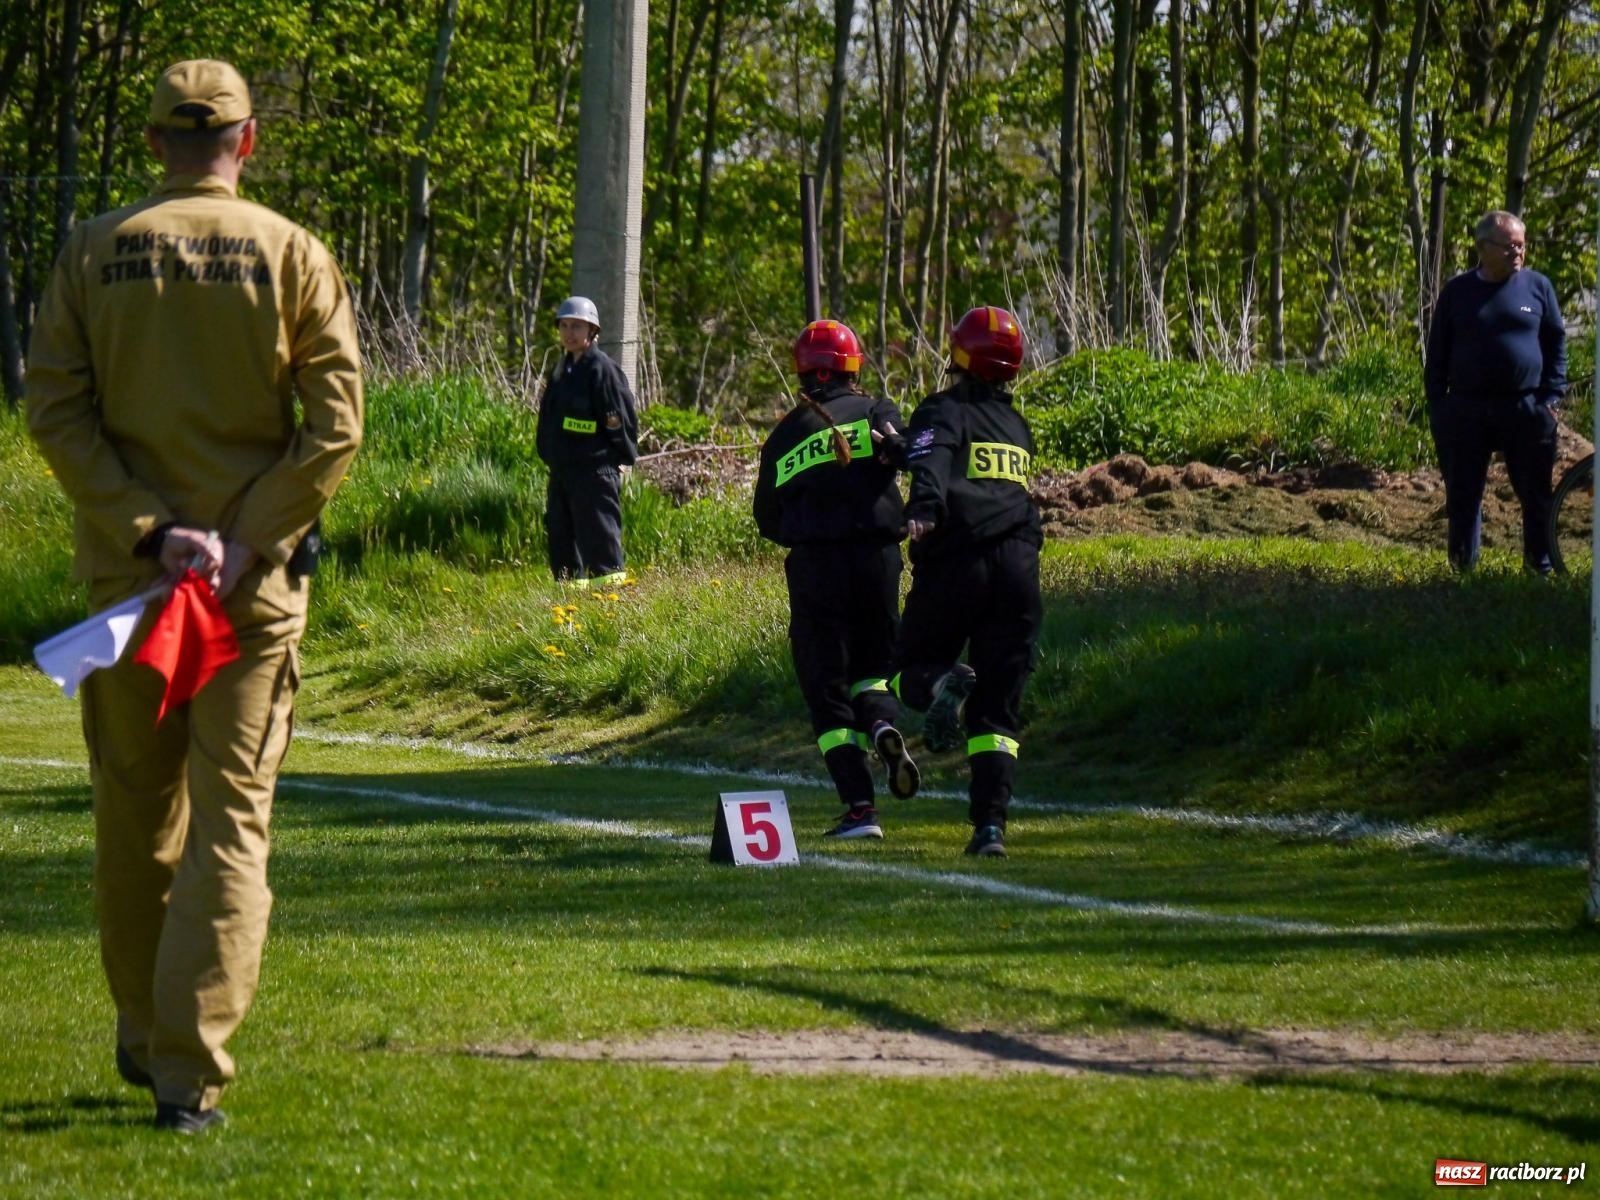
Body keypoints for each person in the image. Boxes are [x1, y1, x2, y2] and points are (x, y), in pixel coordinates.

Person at [24, 59, 363, 1132]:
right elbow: (336, 425)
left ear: (155, 140)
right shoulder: (294, 253)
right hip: (249, 596)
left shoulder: (91, 251)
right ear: (247, 141)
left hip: (130, 591)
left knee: (134, 819)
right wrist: (244, 539)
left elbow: (55, 413)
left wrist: (149, 531)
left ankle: (143, 1033)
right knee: (231, 829)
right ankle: (188, 1071)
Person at [753, 319, 919, 839]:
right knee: (872, 671)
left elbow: (767, 519)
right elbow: (908, 448)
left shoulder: (783, 436)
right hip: (878, 560)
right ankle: (881, 724)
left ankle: (860, 810)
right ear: (854, 368)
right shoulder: (875, 410)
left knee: (827, 691)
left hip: (817, 568)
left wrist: (810, 531)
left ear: (803, 373)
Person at [891, 306, 1042, 859]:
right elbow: (947, 451)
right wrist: (903, 444)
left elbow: (935, 456)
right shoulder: (1017, 426)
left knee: (905, 670)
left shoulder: (943, 407)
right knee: (997, 714)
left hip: (960, 564)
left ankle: (942, 683)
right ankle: (991, 828)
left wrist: (924, 509)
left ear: (958, 355)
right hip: (1020, 569)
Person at [1425, 210, 1568, 573]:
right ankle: (1463, 571)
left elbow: (1555, 342)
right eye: (1509, 246)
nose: (1517, 253)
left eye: (1521, 245)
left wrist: (1551, 398)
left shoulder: (1538, 287)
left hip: (1527, 407)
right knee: (1463, 495)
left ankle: (1539, 569)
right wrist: (1440, 408)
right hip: (1467, 409)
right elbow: (1437, 353)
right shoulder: (1458, 293)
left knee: (1536, 495)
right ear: (1483, 247)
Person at [536, 296, 640, 586]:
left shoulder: (603, 371)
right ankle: (569, 617)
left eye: (577, 327)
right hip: (563, 474)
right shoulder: (561, 371)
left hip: (594, 474)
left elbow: (619, 421)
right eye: (565, 326)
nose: (569, 333)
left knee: (601, 547)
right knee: (562, 547)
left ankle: (611, 612)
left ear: (592, 332)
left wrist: (616, 460)